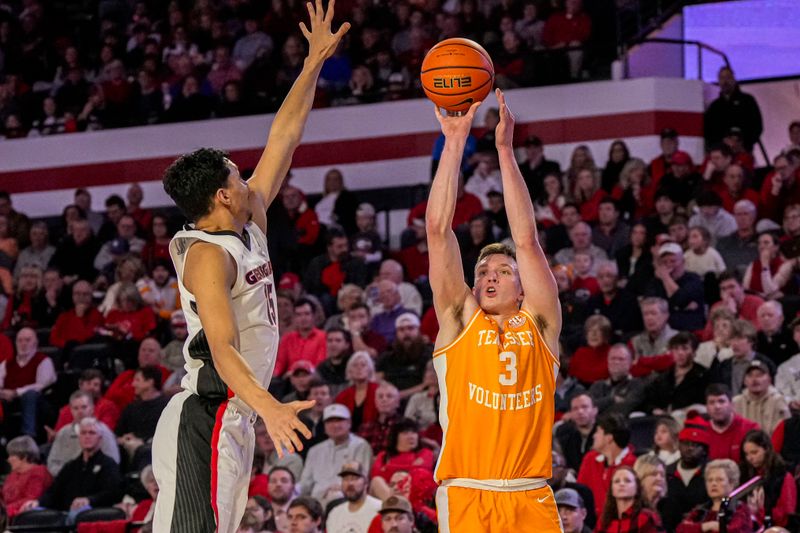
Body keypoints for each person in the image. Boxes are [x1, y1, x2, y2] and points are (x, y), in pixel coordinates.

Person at [152, 5, 350, 531]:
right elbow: (223, 350)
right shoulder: (206, 255)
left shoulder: (247, 222)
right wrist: (271, 408)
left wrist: (311, 66)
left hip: (235, 418)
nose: (249, 181)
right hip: (207, 417)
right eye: (239, 178)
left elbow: (283, 139)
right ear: (222, 195)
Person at [425, 90, 562, 530]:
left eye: (503, 272)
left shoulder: (540, 324)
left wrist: (504, 149)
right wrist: (454, 140)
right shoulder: (459, 319)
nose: (490, 275)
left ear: (523, 289)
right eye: (483, 269)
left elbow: (526, 241)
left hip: (531, 493)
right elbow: (437, 230)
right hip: (467, 491)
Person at [21, 417, 123, 513]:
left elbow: (112, 493)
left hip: (93, 513)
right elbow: (53, 492)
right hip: (64, 513)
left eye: (92, 433)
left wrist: (89, 500)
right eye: (83, 433)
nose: (87, 436)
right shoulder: (70, 466)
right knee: (32, 512)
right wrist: (37, 502)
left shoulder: (108, 464)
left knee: (78, 512)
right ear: (79, 437)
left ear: (99, 439)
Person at [299, 403, 373, 504]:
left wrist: (339, 488)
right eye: (330, 421)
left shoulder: (360, 446)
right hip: (316, 499)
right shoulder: (315, 450)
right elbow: (305, 482)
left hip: (344, 495)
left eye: (339, 420)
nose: (335, 425)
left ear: (349, 423)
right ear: (324, 426)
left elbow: (361, 478)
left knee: (335, 496)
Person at [577, 413, 636, 518]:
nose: (594, 436)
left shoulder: (633, 465)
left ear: (609, 438)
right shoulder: (590, 459)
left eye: (598, 431)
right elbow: (580, 494)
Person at [739, 430, 797, 528]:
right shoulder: (745, 474)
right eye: (746, 454)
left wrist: (759, 512)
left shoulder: (783, 476)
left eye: (754, 452)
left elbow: (786, 514)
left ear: (766, 449)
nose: (750, 458)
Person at [676, 459, 753, 533]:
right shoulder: (701, 510)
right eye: (710, 480)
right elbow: (681, 529)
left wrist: (697, 529)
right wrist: (709, 526)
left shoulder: (739, 508)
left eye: (719, 479)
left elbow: (734, 530)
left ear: (732, 483)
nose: (713, 484)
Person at [704, 66, 763, 151]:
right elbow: (708, 131)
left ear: (734, 79)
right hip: (722, 153)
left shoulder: (747, 101)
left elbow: (757, 126)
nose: (725, 81)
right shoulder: (714, 106)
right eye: (722, 78)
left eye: (728, 77)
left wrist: (742, 143)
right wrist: (721, 143)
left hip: (743, 151)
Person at [595, 466, 663, 533]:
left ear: (637, 488)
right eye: (617, 481)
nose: (621, 484)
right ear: (612, 490)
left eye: (627, 481)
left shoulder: (645, 517)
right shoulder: (604, 521)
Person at [705, 383, 759, 462]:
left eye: (721, 401)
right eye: (712, 402)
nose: (717, 406)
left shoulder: (750, 429)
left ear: (732, 405)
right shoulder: (701, 431)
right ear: (706, 407)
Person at [733, 360, 790, 433]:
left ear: (769, 380)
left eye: (759, 375)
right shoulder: (736, 402)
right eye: (750, 375)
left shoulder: (778, 401)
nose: (754, 379)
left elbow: (786, 431)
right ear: (744, 381)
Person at [2, 436, 52, 518]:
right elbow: (3, 496)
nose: (8, 459)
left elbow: (30, 500)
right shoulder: (13, 474)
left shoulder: (39, 473)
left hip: (26, 516)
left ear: (24, 457)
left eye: (11, 456)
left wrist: (4, 511)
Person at [325, 461, 382, 533]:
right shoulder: (334, 514)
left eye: (355, 478)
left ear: (366, 482)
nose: (350, 483)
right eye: (345, 479)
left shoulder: (379, 508)